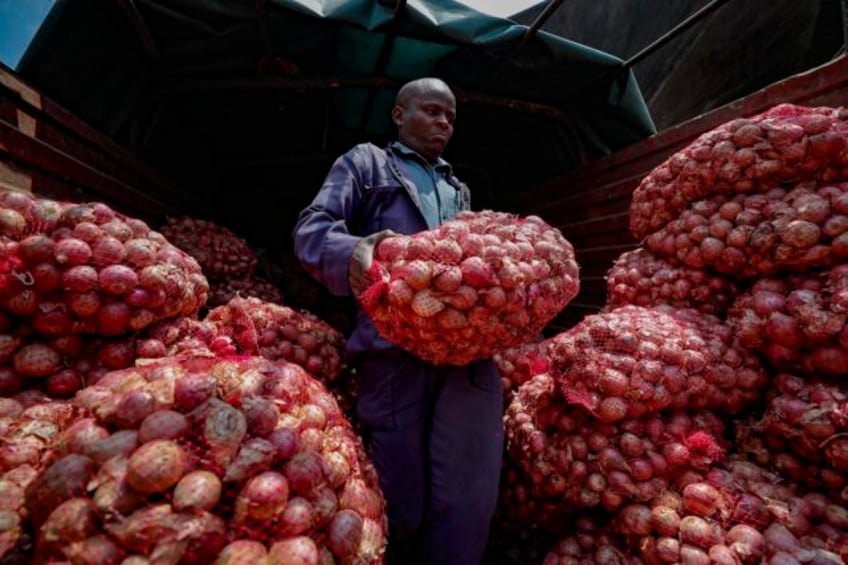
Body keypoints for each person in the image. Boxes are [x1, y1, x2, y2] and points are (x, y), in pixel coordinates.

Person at [292, 77, 504, 564]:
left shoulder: (458, 188)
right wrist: (353, 253)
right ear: (398, 115)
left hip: (462, 355)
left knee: (466, 494)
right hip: (392, 350)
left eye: (450, 116)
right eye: (431, 111)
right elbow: (312, 228)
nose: (442, 123)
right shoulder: (366, 163)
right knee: (401, 498)